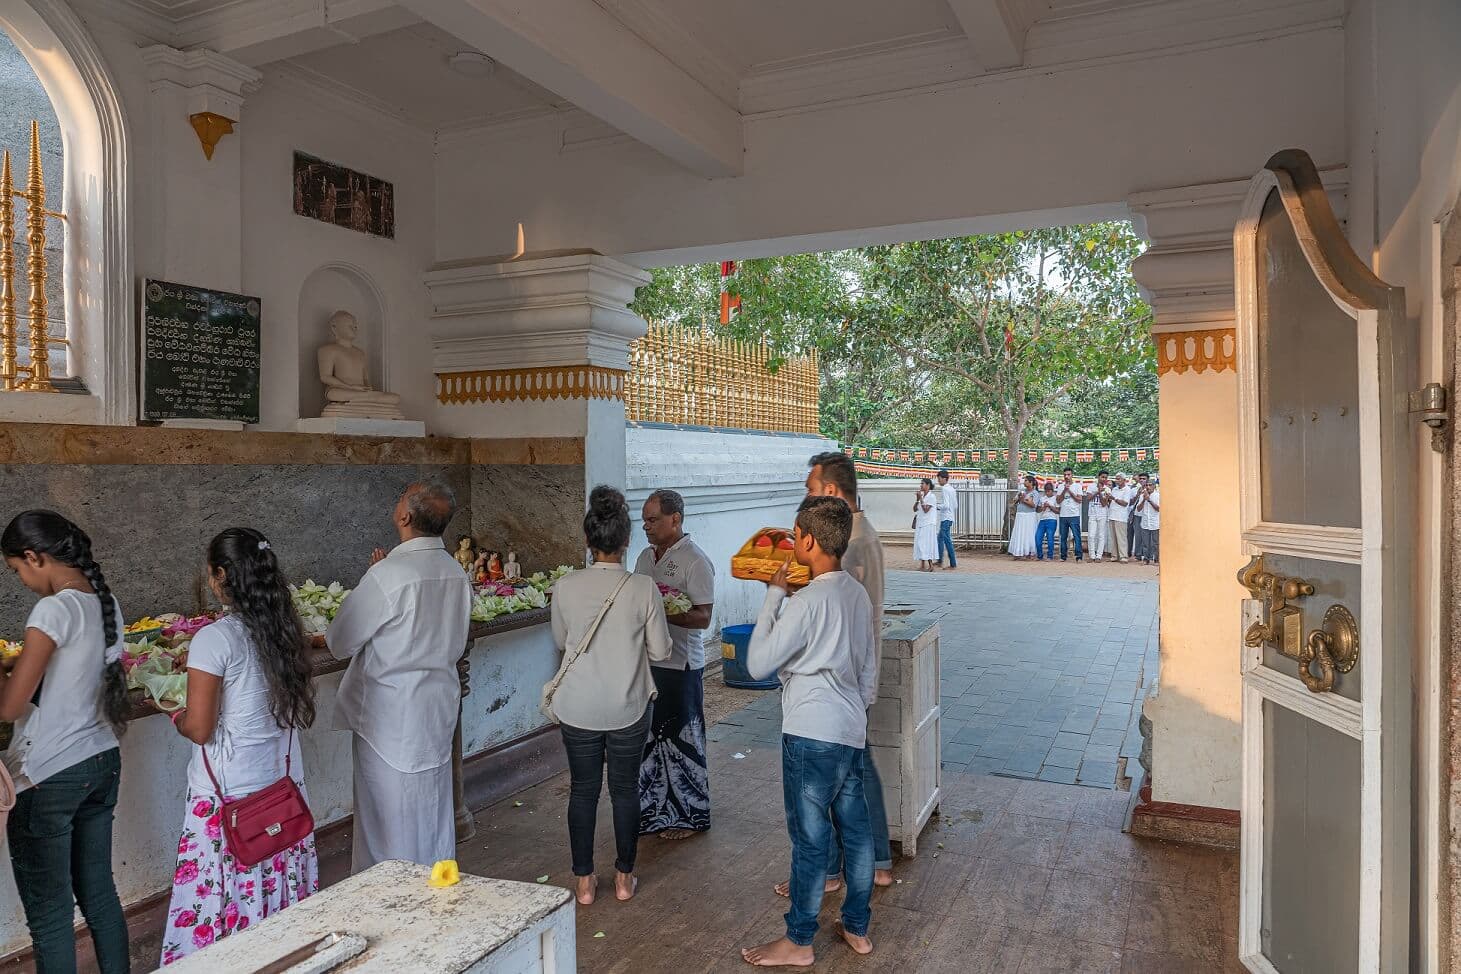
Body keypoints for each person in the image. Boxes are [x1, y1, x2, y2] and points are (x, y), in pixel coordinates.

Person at [160, 528, 319, 965]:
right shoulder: (284, 631)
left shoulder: (215, 639)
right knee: (276, 898)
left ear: (220, 577)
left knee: (223, 902)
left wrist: (171, 710)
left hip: (228, 797)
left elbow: (199, 728)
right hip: (278, 787)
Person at [741, 496, 877, 968]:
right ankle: (856, 927)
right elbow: (867, 671)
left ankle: (799, 940)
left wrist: (773, 597)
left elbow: (757, 663)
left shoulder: (806, 601)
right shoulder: (855, 594)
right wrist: (854, 713)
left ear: (810, 542)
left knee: (810, 838)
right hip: (849, 728)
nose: (793, 542)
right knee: (856, 834)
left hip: (810, 731)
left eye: (796, 535)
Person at [0, 511, 129, 974]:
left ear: (36, 557)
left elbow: (10, 707)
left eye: (18, 570)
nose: (23, 581)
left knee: (52, 919)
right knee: (100, 895)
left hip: (49, 774)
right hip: (101, 761)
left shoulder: (54, 609)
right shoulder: (107, 603)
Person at [326, 478, 472, 874]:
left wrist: (373, 582)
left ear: (405, 515)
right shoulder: (455, 572)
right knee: (432, 809)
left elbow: (339, 640)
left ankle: (391, 896)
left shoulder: (389, 575)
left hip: (389, 715)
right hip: (437, 707)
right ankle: (437, 886)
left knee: (385, 821)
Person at [549, 486, 671, 906]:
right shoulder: (642, 588)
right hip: (627, 705)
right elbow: (661, 651)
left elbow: (562, 640)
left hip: (578, 705)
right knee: (624, 789)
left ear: (588, 540)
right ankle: (623, 877)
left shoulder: (565, 587)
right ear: (626, 540)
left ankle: (584, 882)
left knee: (583, 790)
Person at [783, 451, 893, 894]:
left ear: (830, 492)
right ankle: (864, 866)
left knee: (831, 786)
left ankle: (826, 874)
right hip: (849, 683)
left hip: (834, 687)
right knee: (854, 775)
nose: (807, 496)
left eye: (811, 489)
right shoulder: (861, 534)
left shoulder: (852, 544)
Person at [634, 488, 715, 840]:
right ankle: (653, 810)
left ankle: (689, 816)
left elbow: (703, 618)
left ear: (675, 519)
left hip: (681, 664)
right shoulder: (644, 558)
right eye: (644, 521)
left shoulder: (695, 561)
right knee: (652, 738)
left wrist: (662, 612)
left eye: (653, 520)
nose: (646, 527)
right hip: (648, 662)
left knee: (681, 739)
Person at [1056, 468, 1086, 562]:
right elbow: (1058, 500)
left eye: (1068, 474)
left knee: (1077, 536)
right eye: (1065, 475)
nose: (1066, 477)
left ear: (1072, 475)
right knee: (1063, 536)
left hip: (1074, 515)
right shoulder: (1060, 487)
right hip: (1063, 515)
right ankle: (1063, 556)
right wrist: (1065, 490)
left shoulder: (1077, 486)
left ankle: (1079, 556)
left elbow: (1079, 500)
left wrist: (1070, 492)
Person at [1008, 475, 1040, 560]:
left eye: (1026, 481)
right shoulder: (1021, 491)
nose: (1024, 482)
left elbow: (1034, 505)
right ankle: (1018, 552)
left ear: (1031, 483)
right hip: (1020, 515)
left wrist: (1023, 500)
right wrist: (1018, 499)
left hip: (1029, 516)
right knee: (1019, 533)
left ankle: (1029, 552)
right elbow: (1014, 501)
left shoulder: (1035, 493)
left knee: (1029, 534)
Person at [911, 478, 939, 571]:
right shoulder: (922, 495)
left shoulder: (932, 496)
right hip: (920, 522)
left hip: (928, 523)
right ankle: (922, 564)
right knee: (920, 544)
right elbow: (915, 509)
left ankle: (931, 565)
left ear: (928, 485)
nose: (920, 485)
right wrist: (917, 499)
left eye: (922, 484)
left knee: (927, 544)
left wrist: (921, 499)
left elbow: (926, 510)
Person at [1134, 475, 1162, 566]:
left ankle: (1156, 560)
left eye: (1150, 485)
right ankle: (1146, 559)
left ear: (1154, 486)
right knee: (1145, 543)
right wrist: (1143, 500)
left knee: (1155, 543)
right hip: (1145, 522)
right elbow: (1138, 509)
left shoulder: (1158, 496)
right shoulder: (1142, 496)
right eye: (1147, 485)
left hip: (1155, 523)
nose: (1148, 487)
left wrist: (1149, 500)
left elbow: (1158, 509)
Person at [1108, 473, 1135, 563]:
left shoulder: (1127, 490)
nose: (1117, 480)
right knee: (1114, 537)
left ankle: (1123, 556)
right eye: (1116, 479)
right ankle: (1115, 555)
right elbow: (1110, 500)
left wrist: (1113, 498)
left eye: (1119, 479)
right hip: (1112, 515)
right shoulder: (1114, 489)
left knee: (1121, 537)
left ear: (1124, 480)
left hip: (1121, 517)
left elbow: (1125, 503)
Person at [1087, 471, 1114, 562]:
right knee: (1091, 535)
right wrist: (1098, 491)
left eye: (1106, 477)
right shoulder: (1091, 486)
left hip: (1102, 514)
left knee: (1101, 535)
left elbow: (1104, 504)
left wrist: (1101, 493)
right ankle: (1092, 555)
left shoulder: (1107, 489)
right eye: (1102, 477)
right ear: (1098, 477)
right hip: (1092, 513)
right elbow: (1088, 498)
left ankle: (1099, 556)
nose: (1104, 479)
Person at [934, 469, 958, 570]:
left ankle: (952, 563)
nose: (938, 481)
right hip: (950, 516)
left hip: (946, 517)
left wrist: (937, 506)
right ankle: (940, 560)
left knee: (946, 540)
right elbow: (955, 505)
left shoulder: (945, 489)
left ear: (944, 478)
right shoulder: (952, 489)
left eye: (939, 479)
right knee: (941, 538)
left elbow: (946, 505)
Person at [1035, 481, 1059, 560]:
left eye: (1049, 491)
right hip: (1042, 520)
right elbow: (1038, 510)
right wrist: (1043, 507)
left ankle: (1050, 556)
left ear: (1052, 491)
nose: (1047, 493)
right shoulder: (1042, 498)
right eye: (1046, 491)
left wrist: (1050, 506)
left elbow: (1058, 511)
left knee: (1050, 538)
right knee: (1038, 537)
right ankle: (1040, 556)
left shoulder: (1055, 499)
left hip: (1052, 520)